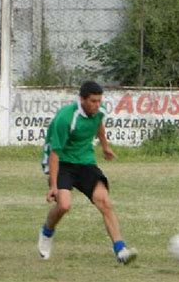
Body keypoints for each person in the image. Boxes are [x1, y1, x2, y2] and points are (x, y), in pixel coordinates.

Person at [37, 81, 137, 264]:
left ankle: (120, 249)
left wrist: (105, 146)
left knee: (104, 201)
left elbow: (98, 123)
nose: (97, 105)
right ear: (82, 99)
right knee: (64, 205)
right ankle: (46, 233)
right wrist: (53, 185)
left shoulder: (99, 111)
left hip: (85, 161)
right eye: (93, 101)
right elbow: (55, 152)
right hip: (63, 163)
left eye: (99, 101)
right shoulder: (66, 118)